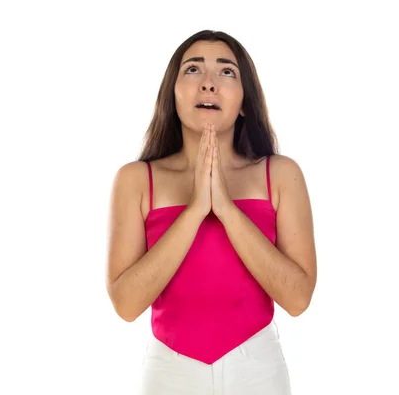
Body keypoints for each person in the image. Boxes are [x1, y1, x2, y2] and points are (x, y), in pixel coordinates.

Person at [105, 30, 317, 395]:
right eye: (192, 70)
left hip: (258, 371)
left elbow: (298, 299)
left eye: (226, 72)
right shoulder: (136, 180)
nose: (208, 84)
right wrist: (196, 209)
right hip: (168, 372)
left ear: (245, 101)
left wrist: (226, 209)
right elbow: (126, 304)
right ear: (172, 94)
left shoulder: (280, 175)